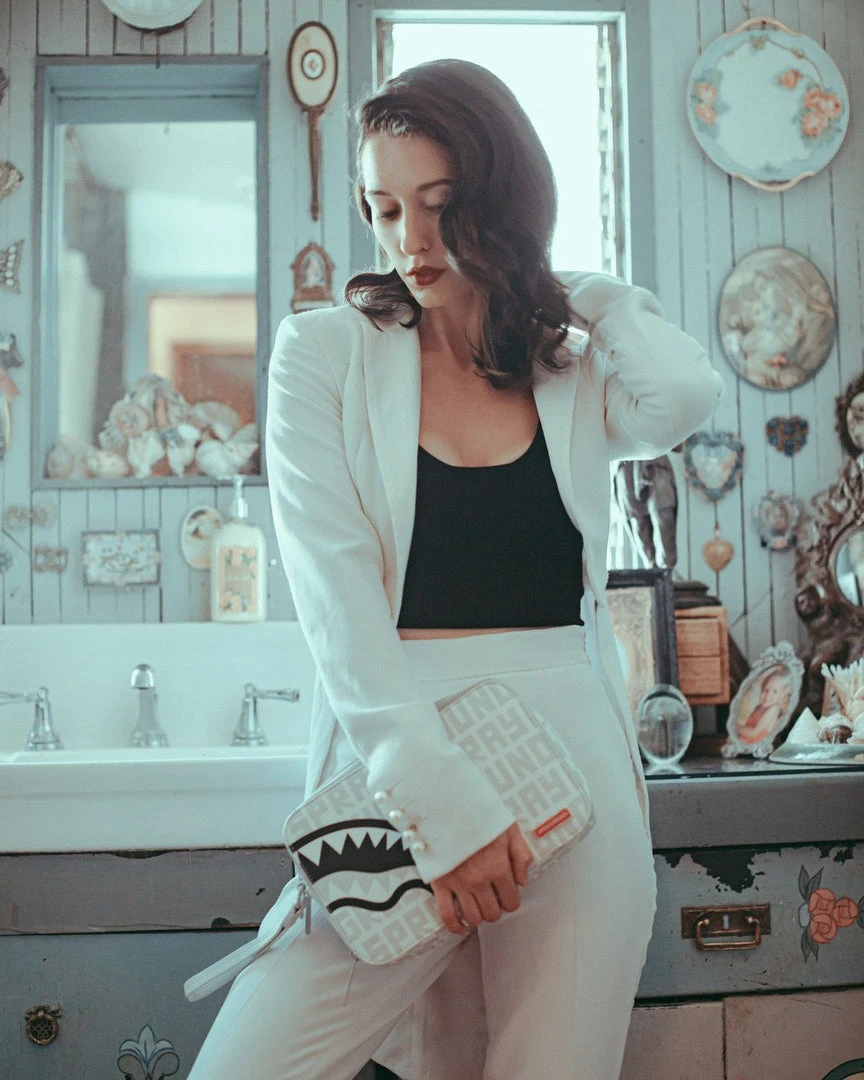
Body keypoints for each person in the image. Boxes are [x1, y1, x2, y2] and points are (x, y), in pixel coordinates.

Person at [187, 59, 724, 1080]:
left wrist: (580, 292)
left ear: (503, 199)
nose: (411, 240)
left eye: (441, 205)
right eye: (385, 208)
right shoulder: (324, 355)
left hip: (576, 769)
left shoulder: (567, 363)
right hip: (402, 766)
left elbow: (681, 396)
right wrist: (448, 814)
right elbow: (337, 608)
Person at [738, 666, 793, 744]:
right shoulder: (759, 707)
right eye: (766, 690)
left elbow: (754, 732)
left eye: (775, 691)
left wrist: (736, 728)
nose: (768, 696)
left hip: (756, 743)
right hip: (747, 740)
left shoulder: (774, 709)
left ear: (781, 695)